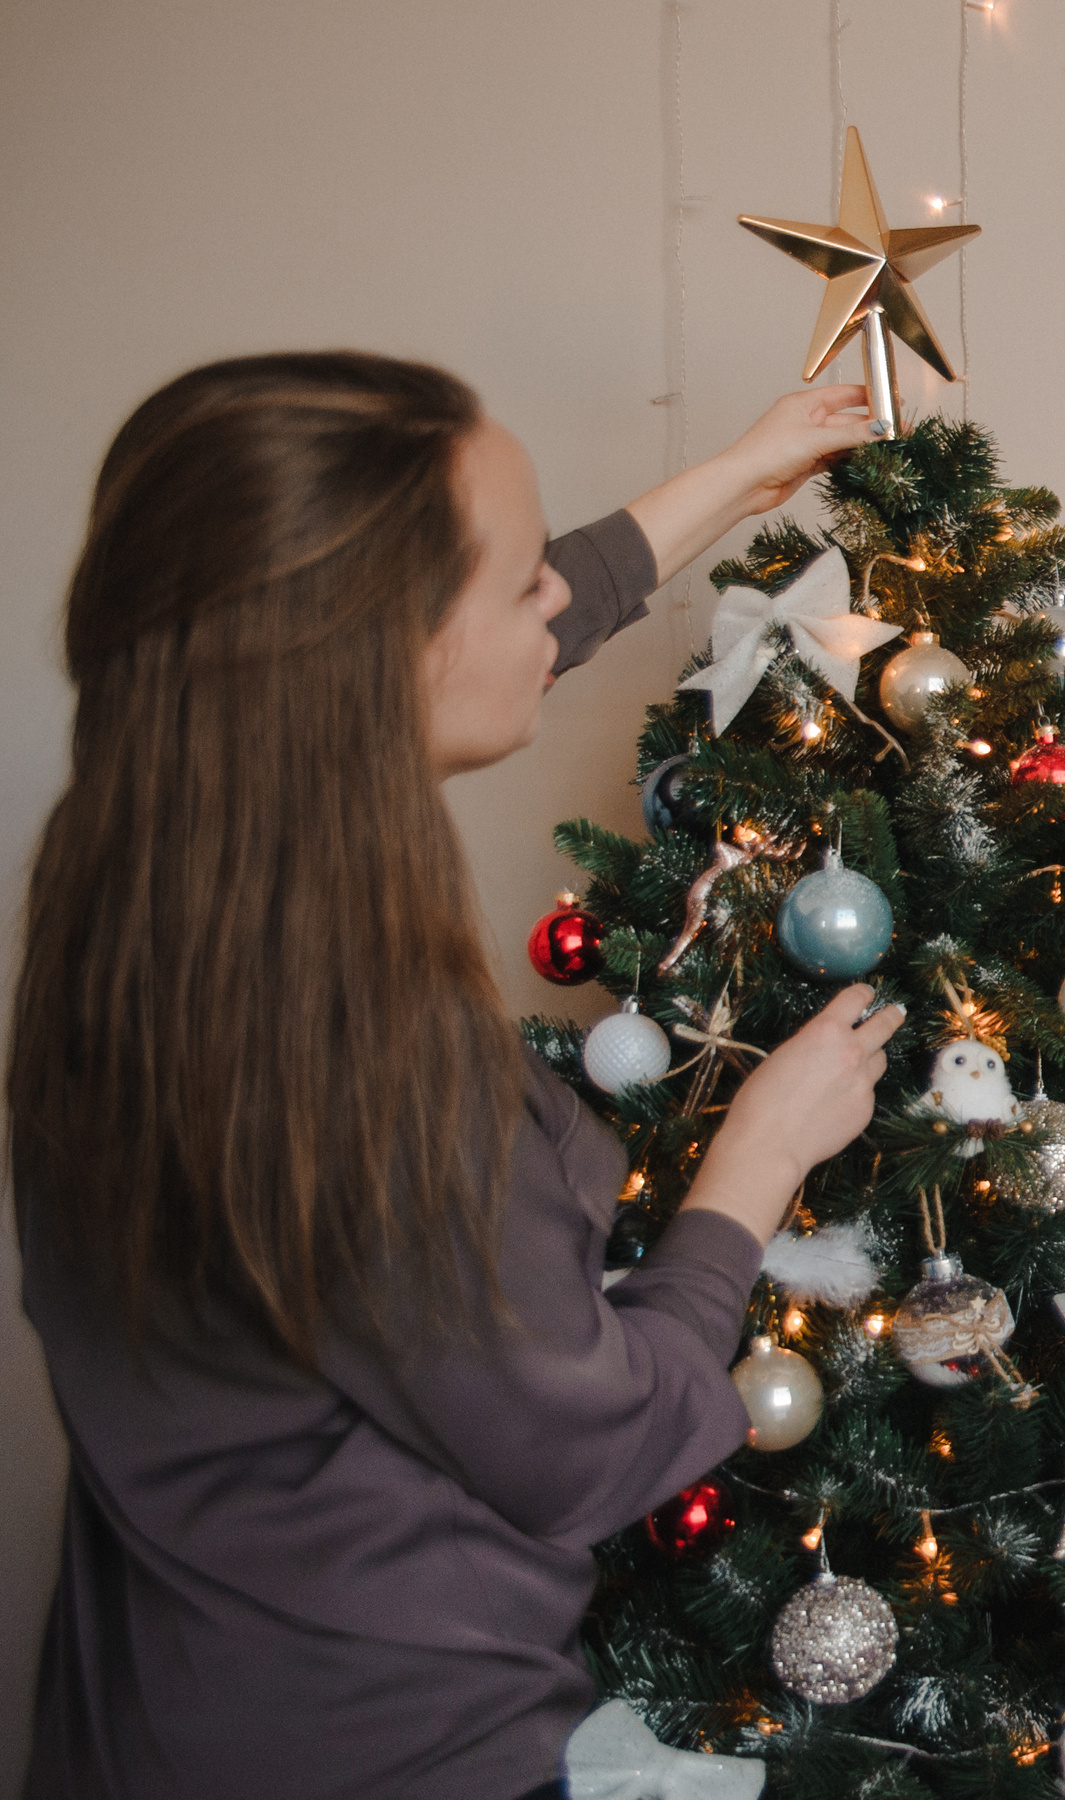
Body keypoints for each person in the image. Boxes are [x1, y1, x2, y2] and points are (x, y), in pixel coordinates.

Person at [10, 352, 910, 1799]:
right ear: (376, 652)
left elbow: (532, 609)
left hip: (147, 1734)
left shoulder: (132, 887)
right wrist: (757, 1161)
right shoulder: (349, 1040)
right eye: (517, 579)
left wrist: (741, 476)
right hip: (393, 1760)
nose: (559, 599)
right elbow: (590, 1448)